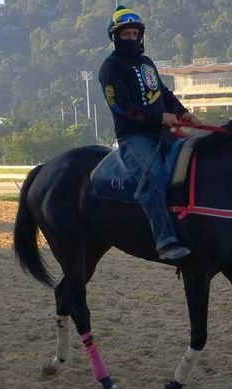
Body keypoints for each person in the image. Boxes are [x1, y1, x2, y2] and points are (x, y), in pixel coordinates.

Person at [99, 5, 200, 260]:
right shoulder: (110, 67)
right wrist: (159, 117)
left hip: (164, 133)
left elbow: (162, 93)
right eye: (126, 34)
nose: (132, 38)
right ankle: (165, 241)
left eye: (135, 34)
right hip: (134, 138)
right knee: (153, 178)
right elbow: (120, 106)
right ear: (116, 37)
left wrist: (182, 111)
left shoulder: (146, 63)